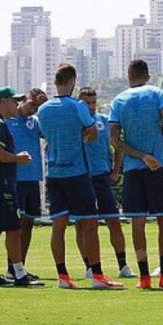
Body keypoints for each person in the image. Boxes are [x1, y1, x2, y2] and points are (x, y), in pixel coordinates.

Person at [38, 64, 121, 290]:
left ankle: (63, 276)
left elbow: (43, 133)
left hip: (54, 173)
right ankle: (97, 275)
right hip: (77, 173)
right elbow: (92, 132)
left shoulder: (43, 109)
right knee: (90, 223)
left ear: (55, 82)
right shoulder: (77, 107)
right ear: (73, 81)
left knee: (59, 226)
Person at [109, 59, 163, 290]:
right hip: (157, 167)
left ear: (128, 76)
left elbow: (114, 140)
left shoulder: (118, 100)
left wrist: (140, 155)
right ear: (147, 75)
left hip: (134, 168)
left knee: (137, 222)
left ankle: (144, 278)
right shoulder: (157, 93)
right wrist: (158, 133)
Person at [0, 87, 35, 286]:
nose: (17, 105)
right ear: (2, 102)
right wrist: (19, 158)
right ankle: (19, 274)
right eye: (13, 101)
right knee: (13, 228)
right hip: (0, 186)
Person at [78, 87, 134, 279]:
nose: (91, 107)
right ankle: (89, 266)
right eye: (87, 103)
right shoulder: (75, 124)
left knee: (113, 221)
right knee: (84, 225)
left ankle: (123, 265)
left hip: (102, 177)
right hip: (82, 178)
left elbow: (117, 143)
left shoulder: (103, 121)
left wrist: (116, 168)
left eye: (93, 103)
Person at [5, 87, 48, 280]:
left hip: (33, 179)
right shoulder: (7, 122)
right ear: (22, 100)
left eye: (36, 107)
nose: (33, 109)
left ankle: (20, 266)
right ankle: (11, 267)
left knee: (29, 223)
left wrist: (44, 106)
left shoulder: (35, 122)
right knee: (16, 225)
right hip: (15, 180)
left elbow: (50, 132)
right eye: (31, 104)